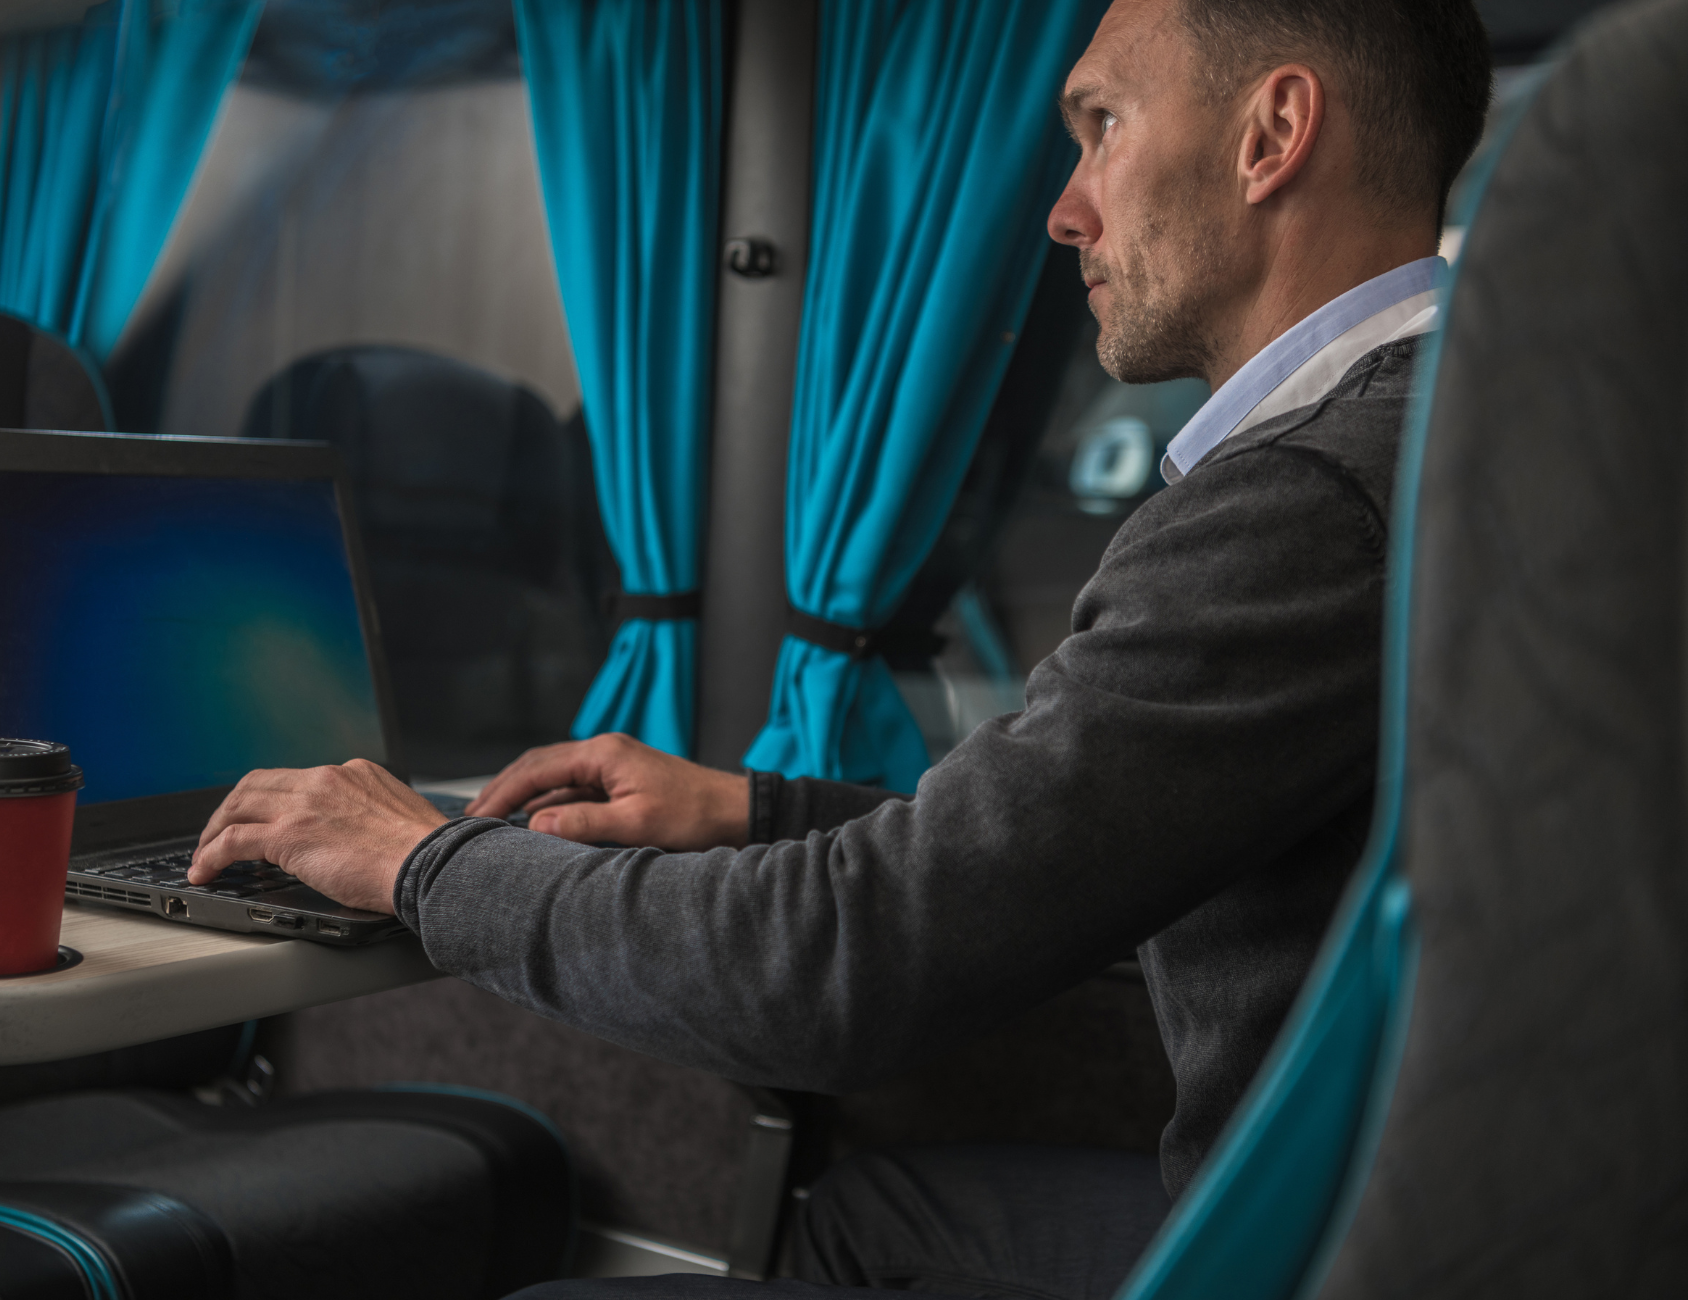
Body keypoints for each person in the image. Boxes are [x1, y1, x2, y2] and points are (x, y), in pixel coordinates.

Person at [189, 1, 1491, 1295]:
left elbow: (852, 970)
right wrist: (758, 807)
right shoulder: (1454, 441)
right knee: (876, 1221)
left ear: (1272, 135)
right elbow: (1089, 851)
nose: (1066, 209)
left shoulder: (1304, 503)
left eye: (1102, 127)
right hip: (1410, 1199)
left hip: (1333, 1251)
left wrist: (422, 861)